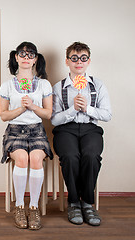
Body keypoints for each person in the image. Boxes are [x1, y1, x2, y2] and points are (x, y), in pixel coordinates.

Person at [51, 42, 112, 226]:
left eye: (83, 58)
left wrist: (88, 108)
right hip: (65, 130)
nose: (79, 62)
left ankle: (87, 202)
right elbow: (54, 120)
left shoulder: (98, 85)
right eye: (74, 58)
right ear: (67, 61)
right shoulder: (58, 87)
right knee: (70, 157)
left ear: (88, 61)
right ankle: (74, 203)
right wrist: (71, 109)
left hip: (90, 129)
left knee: (91, 156)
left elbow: (107, 115)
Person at [0, 42, 53, 230]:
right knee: (22, 158)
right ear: (16, 57)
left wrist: (32, 106)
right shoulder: (7, 85)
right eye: (22, 54)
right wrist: (21, 108)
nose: (26, 57)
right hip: (15, 131)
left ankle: (34, 207)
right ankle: (20, 206)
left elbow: (48, 114)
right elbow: (4, 116)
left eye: (31, 54)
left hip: (37, 131)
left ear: (36, 59)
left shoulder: (43, 84)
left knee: (35, 159)